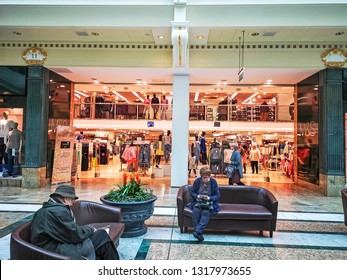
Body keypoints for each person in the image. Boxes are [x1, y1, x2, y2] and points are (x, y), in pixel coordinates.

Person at [30, 184, 119, 260]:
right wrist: (91, 229)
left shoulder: (47, 210)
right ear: (65, 199)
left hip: (53, 245)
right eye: (72, 200)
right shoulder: (57, 212)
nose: (72, 203)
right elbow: (75, 235)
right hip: (54, 249)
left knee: (101, 243)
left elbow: (68, 231)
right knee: (102, 236)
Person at [187, 166, 220, 242]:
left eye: (208, 177)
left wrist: (209, 198)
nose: (206, 179)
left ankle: (197, 232)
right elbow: (192, 192)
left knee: (205, 213)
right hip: (198, 202)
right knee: (195, 213)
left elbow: (217, 195)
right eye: (204, 178)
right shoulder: (197, 181)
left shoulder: (213, 182)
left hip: (209, 203)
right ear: (201, 176)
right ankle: (199, 234)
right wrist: (198, 196)